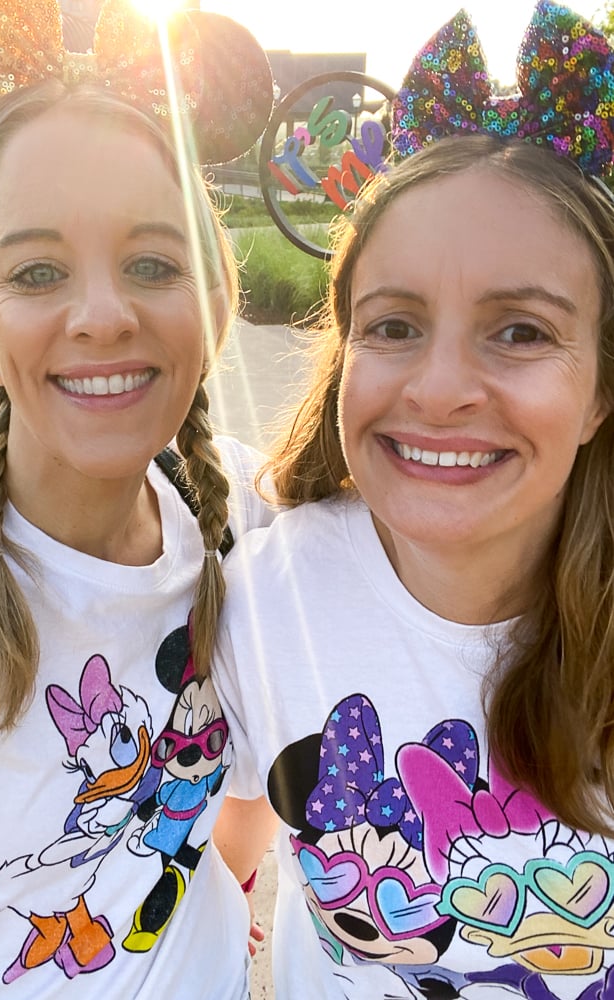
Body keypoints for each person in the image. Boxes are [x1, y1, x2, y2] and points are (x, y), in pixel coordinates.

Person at [0, 0, 275, 997]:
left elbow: (253, 779)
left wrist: (217, 904)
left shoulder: (243, 510)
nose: (102, 315)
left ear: (214, 304)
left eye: (152, 263)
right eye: (39, 271)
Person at [212, 2, 614, 997]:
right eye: (394, 325)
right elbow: (231, 825)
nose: (438, 390)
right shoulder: (268, 595)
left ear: (601, 390)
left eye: (520, 331)